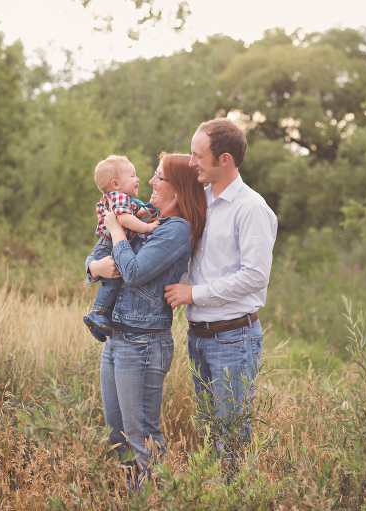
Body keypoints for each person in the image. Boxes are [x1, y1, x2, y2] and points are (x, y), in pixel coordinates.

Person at [86, 153, 206, 488]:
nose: (151, 182)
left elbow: (135, 273)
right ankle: (132, 498)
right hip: (117, 339)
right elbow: (99, 252)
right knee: (118, 438)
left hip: (143, 343)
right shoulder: (143, 216)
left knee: (142, 441)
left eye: (159, 177)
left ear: (178, 190)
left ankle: (156, 499)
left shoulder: (177, 229)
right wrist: (93, 268)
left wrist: (117, 232)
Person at [164, 118, 277, 460]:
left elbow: (255, 276)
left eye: (198, 155)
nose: (192, 162)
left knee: (231, 439)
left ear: (224, 159)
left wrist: (192, 293)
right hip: (197, 335)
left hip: (232, 338)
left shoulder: (251, 209)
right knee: (212, 430)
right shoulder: (201, 200)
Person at [83, 155, 160, 342]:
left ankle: (102, 317)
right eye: (132, 176)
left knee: (115, 281)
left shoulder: (122, 198)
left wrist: (153, 208)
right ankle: (98, 312)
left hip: (108, 244)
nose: (138, 179)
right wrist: (148, 227)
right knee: (112, 282)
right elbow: (125, 219)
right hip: (108, 245)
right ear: (116, 183)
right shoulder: (118, 197)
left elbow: (136, 213)